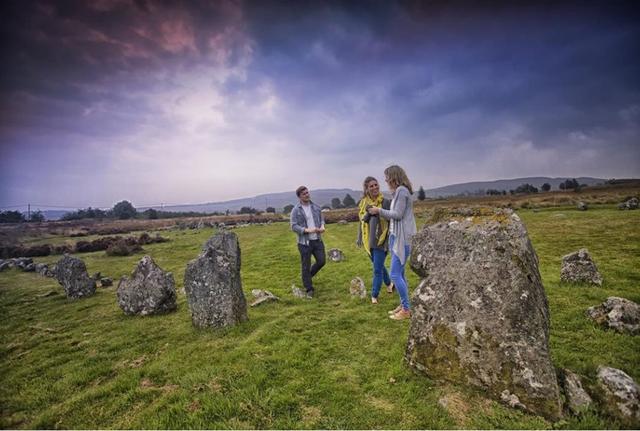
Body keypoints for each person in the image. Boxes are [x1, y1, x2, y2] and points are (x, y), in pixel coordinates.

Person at [368, 165, 417, 320]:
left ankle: (406, 310)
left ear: (394, 177)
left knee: (395, 274)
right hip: (398, 236)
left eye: (387, 177)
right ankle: (404, 305)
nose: (386, 180)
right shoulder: (398, 192)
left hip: (404, 238)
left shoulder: (402, 191)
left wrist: (379, 211)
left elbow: (397, 214)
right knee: (400, 273)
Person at [356, 176, 394, 304]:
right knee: (379, 265)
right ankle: (389, 284)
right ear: (367, 189)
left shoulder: (386, 202)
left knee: (377, 270)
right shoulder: (363, 204)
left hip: (381, 239)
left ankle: (374, 295)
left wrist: (378, 211)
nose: (374, 188)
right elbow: (362, 222)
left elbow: (392, 218)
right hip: (369, 241)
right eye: (371, 186)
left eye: (376, 185)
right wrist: (359, 237)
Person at [290, 186, 326, 298]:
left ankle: (307, 277)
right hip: (304, 242)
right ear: (299, 196)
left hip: (317, 240)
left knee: (321, 261)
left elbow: (322, 219)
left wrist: (322, 226)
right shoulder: (296, 210)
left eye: (307, 192)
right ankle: (309, 288)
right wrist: (307, 230)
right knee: (306, 265)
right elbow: (293, 226)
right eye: (304, 194)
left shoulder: (316, 207)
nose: (307, 195)